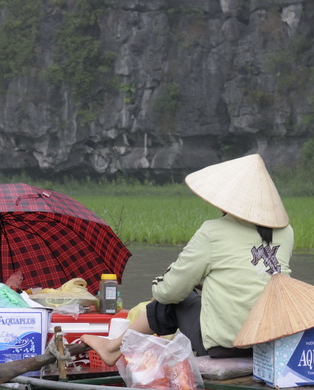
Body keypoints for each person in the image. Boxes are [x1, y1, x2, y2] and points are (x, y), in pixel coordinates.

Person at [83, 154, 294, 366]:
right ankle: (112, 347)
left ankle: (112, 347)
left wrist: (160, 287)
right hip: (270, 341)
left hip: (226, 345)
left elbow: (170, 291)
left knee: (172, 302)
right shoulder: (286, 233)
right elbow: (252, 276)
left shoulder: (213, 231)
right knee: (189, 295)